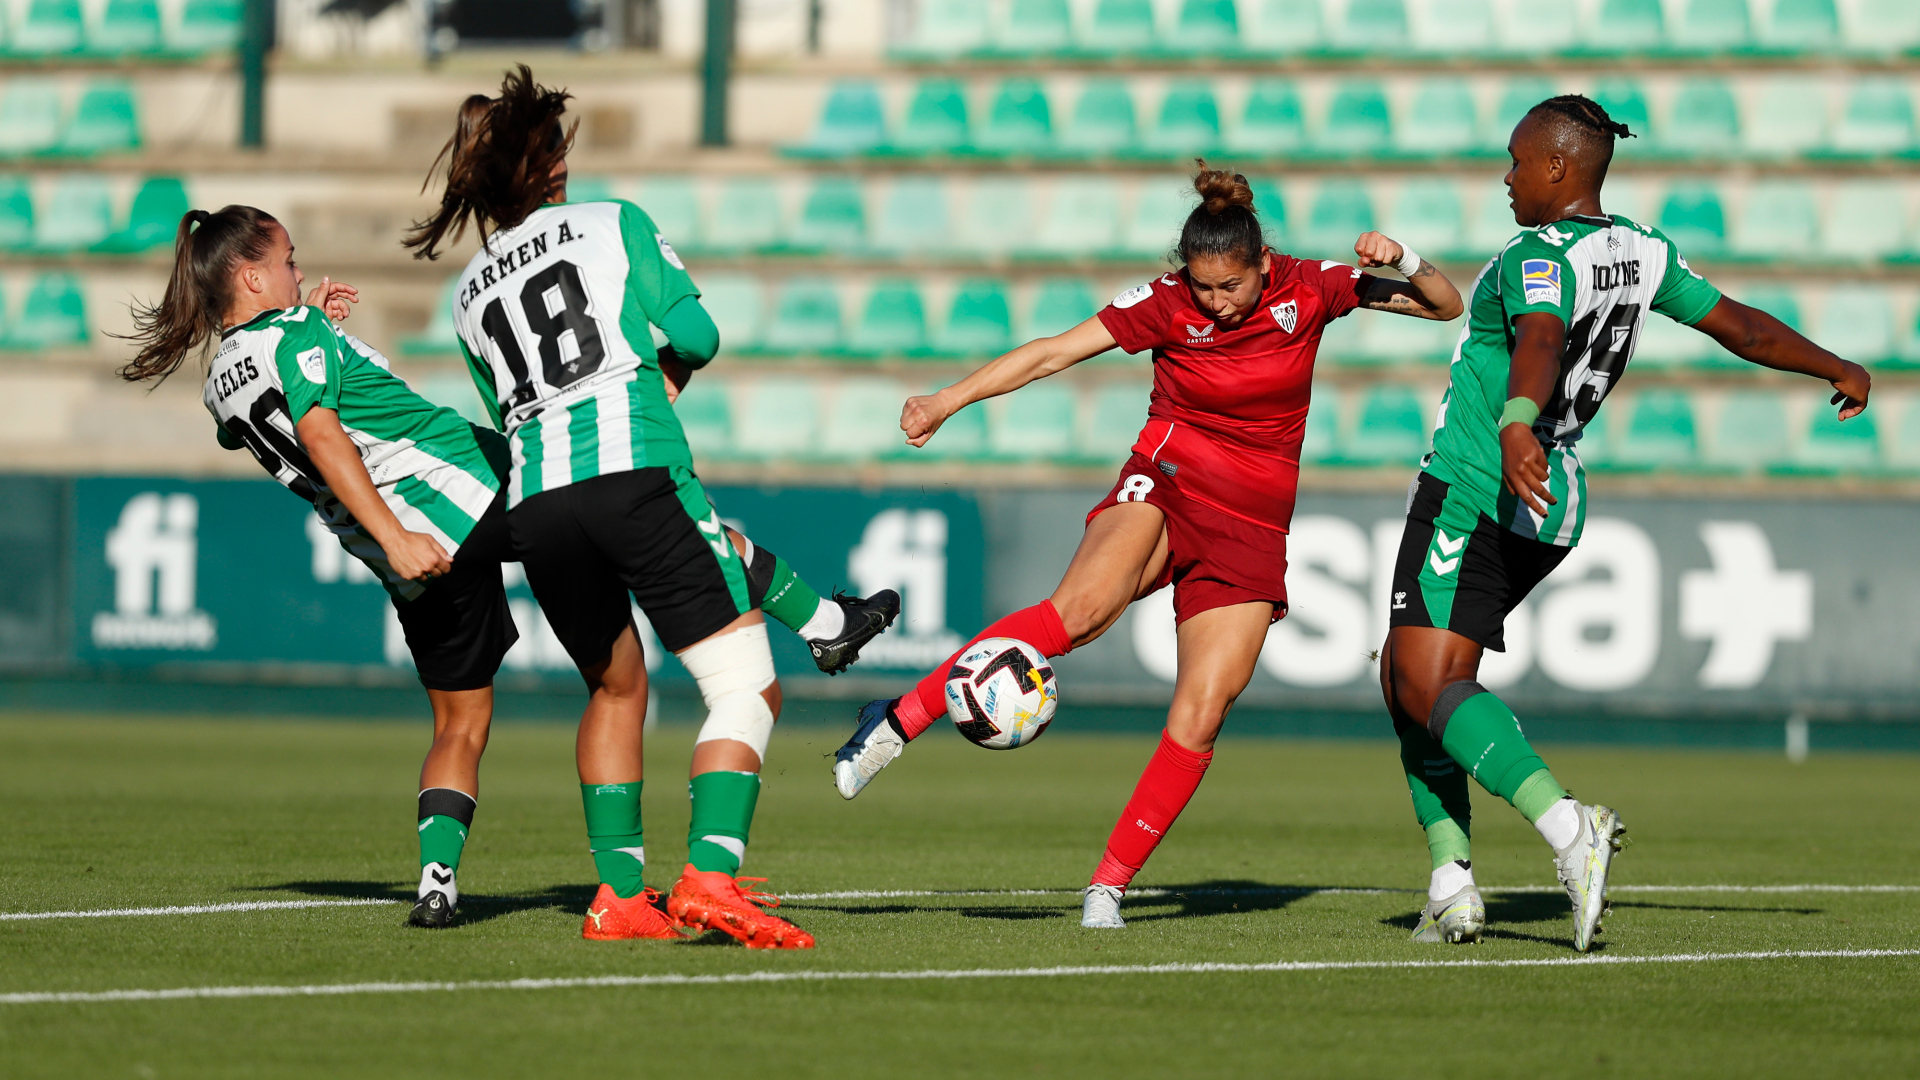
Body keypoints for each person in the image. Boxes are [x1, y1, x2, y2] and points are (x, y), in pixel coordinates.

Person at [831, 164, 1467, 930]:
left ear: (1262, 266)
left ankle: (1108, 887)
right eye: (1202, 289)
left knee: (1200, 713)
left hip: (1253, 529)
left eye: (1229, 288)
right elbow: (1052, 352)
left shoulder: (1314, 286)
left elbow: (1444, 305)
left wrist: (1402, 258)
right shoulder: (1165, 305)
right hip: (1168, 477)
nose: (1215, 303)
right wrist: (948, 399)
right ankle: (897, 721)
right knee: (1081, 612)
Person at [407, 66, 889, 946]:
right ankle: (710, 879)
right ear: (552, 168)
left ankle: (619, 899)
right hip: (633, 469)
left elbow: (506, 412)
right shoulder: (612, 224)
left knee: (615, 687)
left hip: (539, 501)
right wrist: (661, 364)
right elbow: (701, 335)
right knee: (744, 686)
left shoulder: (469, 294)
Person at [1379, 95, 1871, 952]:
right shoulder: (1645, 252)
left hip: (1482, 481)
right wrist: (1836, 364)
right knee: (1412, 675)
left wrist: (1516, 419)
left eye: (1517, 162)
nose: (1507, 176)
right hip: (1552, 495)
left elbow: (1538, 336)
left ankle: (1569, 830)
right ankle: (1452, 882)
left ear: (1559, 169)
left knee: (1421, 682)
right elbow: (1742, 329)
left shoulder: (1538, 253)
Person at [117, 205, 517, 931]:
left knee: (460, 722)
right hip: (461, 490)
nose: (299, 272)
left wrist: (321, 333)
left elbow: (271, 400)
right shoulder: (296, 333)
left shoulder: (220, 386)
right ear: (251, 273)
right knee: (625, 508)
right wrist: (396, 531)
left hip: (403, 565)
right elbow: (321, 431)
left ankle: (436, 884)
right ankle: (794, 610)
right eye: (289, 260)